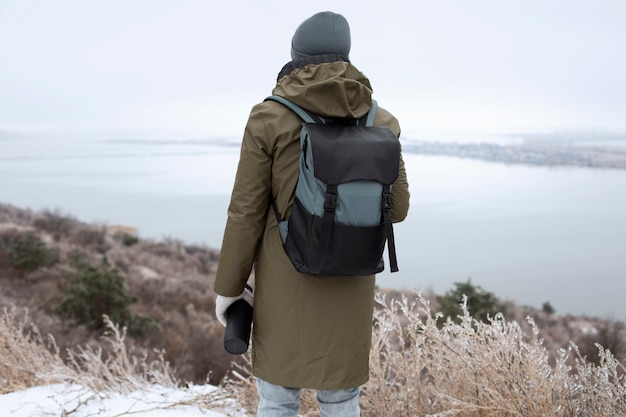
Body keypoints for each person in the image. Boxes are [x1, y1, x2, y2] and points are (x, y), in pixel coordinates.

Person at [214, 11, 410, 417]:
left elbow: (245, 212)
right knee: (342, 399)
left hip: (286, 280)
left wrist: (229, 288)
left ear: (295, 54)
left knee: (278, 399)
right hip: (352, 279)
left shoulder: (270, 117)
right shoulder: (382, 121)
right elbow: (399, 208)